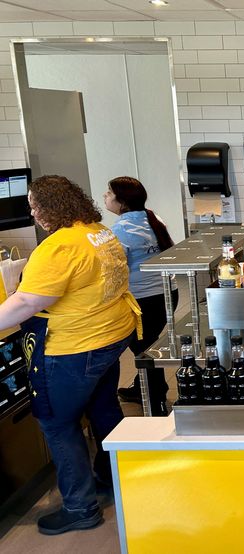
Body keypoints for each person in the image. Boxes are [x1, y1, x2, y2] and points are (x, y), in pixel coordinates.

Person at [0, 175, 140, 535]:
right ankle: (113, 477)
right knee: (103, 407)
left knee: (57, 423)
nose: (32, 211)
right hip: (111, 336)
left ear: (52, 207)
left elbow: (29, 301)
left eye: (35, 204)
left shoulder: (59, 246)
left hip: (75, 347)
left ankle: (80, 507)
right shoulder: (97, 231)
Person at [104, 176, 177, 415]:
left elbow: (114, 270)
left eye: (108, 193)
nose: (104, 197)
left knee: (143, 351)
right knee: (149, 345)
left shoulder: (120, 230)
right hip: (167, 295)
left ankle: (156, 400)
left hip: (142, 301)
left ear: (121, 201)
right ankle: (142, 387)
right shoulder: (154, 218)